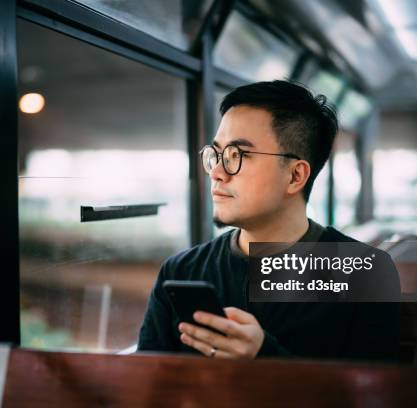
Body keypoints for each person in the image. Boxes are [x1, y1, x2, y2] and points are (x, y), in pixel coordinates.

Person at [137, 80, 400, 361]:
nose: (217, 172)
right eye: (216, 155)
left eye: (238, 155)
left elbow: (371, 396)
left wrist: (263, 357)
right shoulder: (181, 272)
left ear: (295, 176)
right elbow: (146, 385)